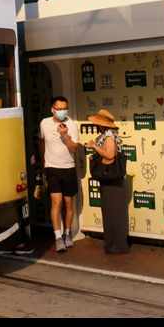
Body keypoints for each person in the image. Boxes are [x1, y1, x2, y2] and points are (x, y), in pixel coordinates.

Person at [38, 96, 79, 252]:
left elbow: (74, 148)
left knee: (68, 204)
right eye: (59, 109)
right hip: (52, 168)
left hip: (68, 168)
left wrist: (65, 135)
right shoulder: (44, 123)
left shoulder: (72, 125)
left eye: (65, 109)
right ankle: (57, 237)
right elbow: (41, 141)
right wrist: (43, 163)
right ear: (52, 109)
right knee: (57, 202)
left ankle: (67, 234)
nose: (63, 112)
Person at [85, 109, 129, 255]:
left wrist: (94, 146)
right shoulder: (109, 135)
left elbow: (109, 155)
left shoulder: (108, 136)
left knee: (112, 212)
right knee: (111, 212)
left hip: (111, 180)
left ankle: (116, 246)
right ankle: (113, 245)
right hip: (111, 180)